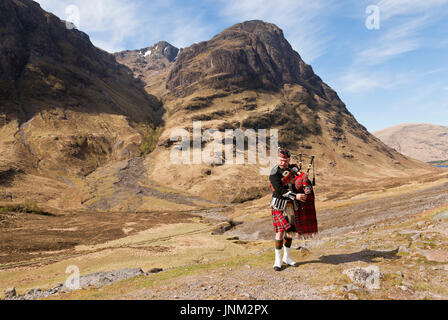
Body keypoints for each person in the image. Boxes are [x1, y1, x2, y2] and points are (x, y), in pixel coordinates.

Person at [269, 148, 307, 271]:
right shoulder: (274, 173)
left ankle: (287, 257)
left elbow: (299, 182)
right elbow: (280, 191)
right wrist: (296, 196)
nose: (283, 163)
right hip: (279, 204)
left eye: (285, 160)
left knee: (290, 232)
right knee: (280, 232)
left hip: (290, 205)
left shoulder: (293, 170)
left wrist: (306, 187)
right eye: (281, 160)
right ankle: (277, 261)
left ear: (288, 160)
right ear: (278, 159)